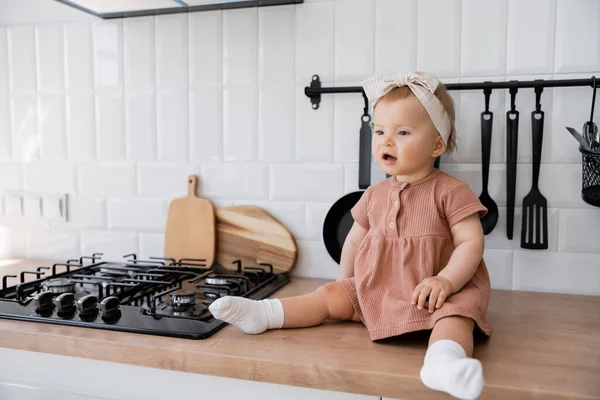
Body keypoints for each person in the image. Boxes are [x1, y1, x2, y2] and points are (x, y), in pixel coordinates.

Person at [209, 71, 492, 400]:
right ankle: (266, 314)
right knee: (327, 294)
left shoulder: (451, 191)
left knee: (458, 314)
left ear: (437, 144)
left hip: (436, 296)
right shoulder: (373, 194)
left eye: (402, 132)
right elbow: (354, 241)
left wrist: (446, 281)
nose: (387, 141)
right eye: (381, 130)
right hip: (381, 290)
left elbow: (471, 242)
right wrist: (346, 284)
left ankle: (443, 361)